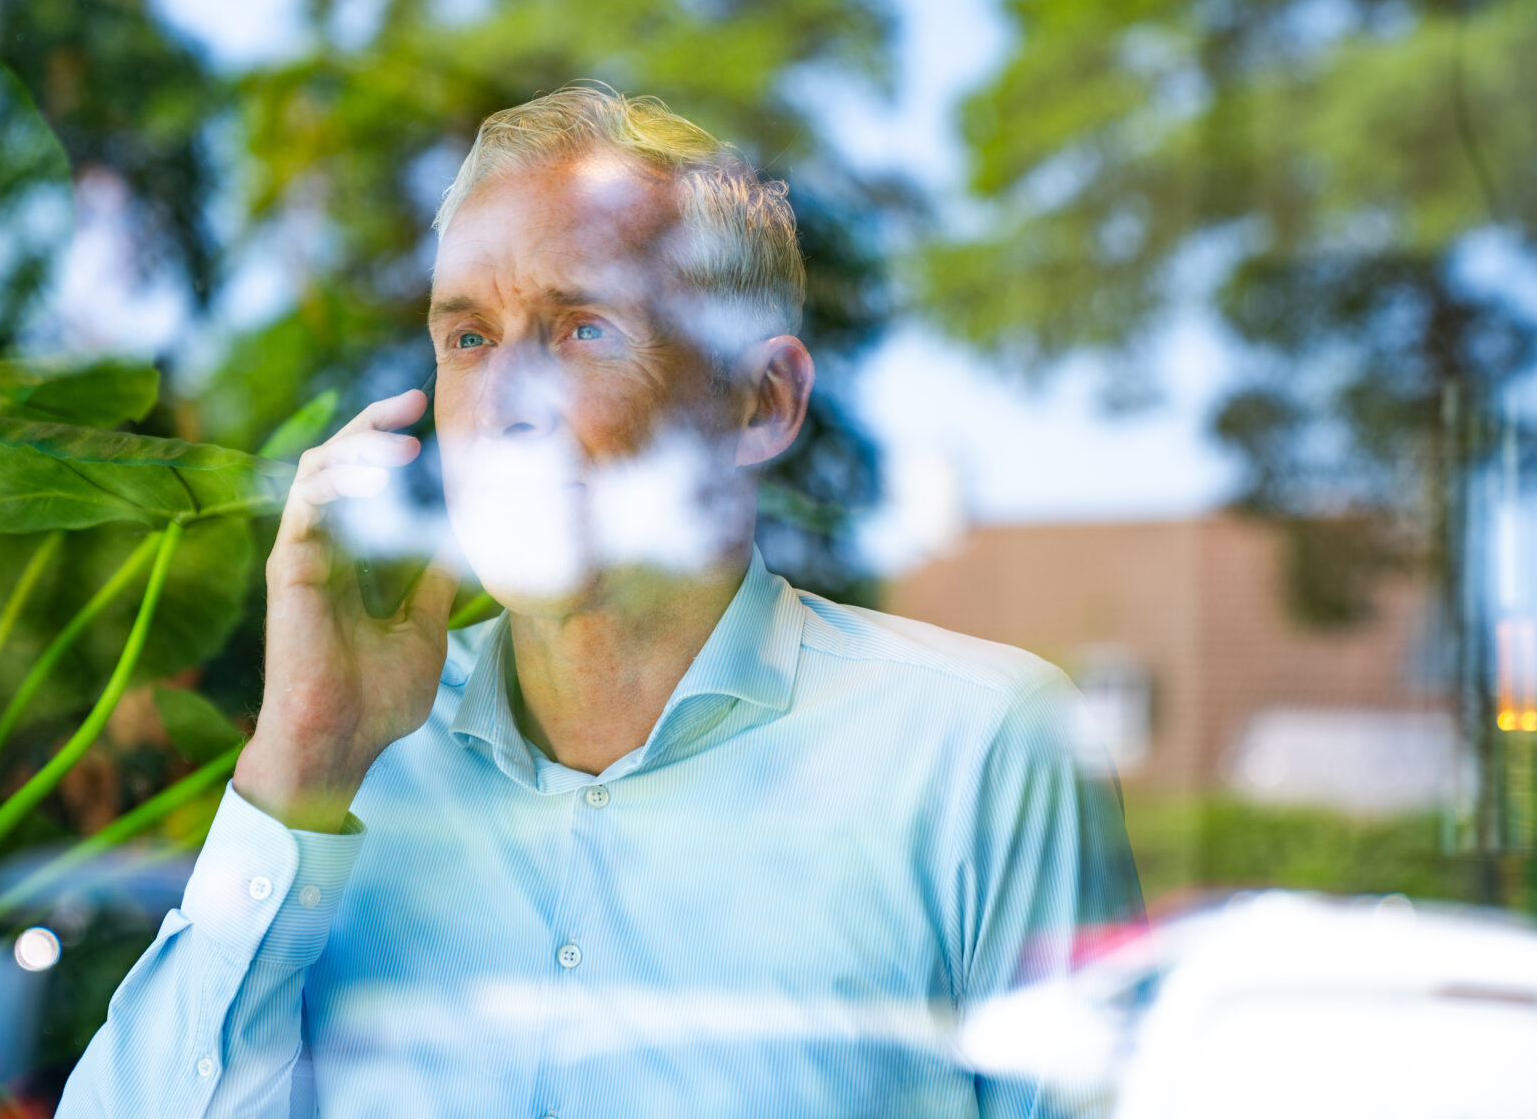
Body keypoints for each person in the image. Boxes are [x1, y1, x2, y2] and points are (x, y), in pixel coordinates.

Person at [59, 83, 1143, 1118]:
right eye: (468, 337)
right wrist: (298, 764)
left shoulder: (973, 752)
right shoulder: (350, 768)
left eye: (584, 328)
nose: (504, 408)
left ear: (763, 403)